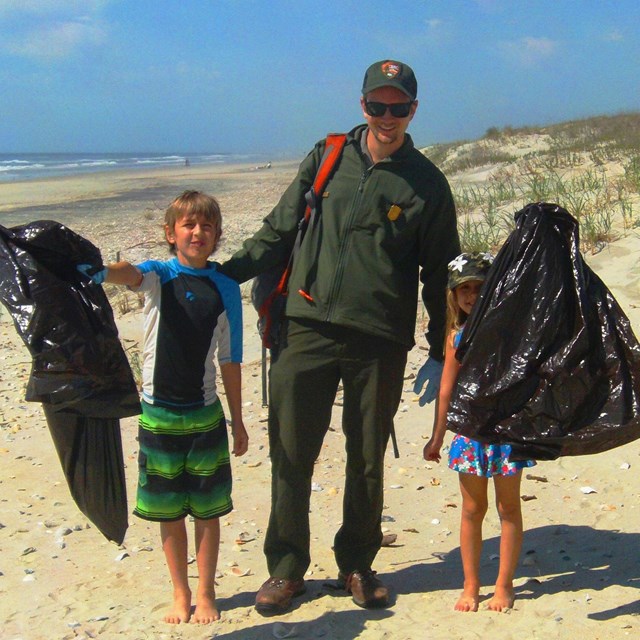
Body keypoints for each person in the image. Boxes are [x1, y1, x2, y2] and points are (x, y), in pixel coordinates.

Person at [219, 60, 460, 614]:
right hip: (304, 328)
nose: (388, 116)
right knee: (290, 452)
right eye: (378, 105)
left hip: (379, 337)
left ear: (413, 111)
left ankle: (357, 564)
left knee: (367, 457)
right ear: (363, 106)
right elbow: (279, 230)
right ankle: (285, 570)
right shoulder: (327, 156)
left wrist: (443, 343)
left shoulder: (427, 183)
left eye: (398, 107)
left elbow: (440, 272)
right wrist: (221, 275)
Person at [78, 190, 248, 624]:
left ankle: (207, 592)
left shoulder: (225, 288)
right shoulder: (159, 275)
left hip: (205, 413)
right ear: (171, 233)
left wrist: (240, 422)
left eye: (206, 226)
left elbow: (230, 359)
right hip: (158, 415)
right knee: (168, 511)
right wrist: (97, 271)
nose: (197, 233)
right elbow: (128, 273)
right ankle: (180, 592)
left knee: (207, 512)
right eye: (188, 225)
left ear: (217, 235)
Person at [423, 252, 535, 613]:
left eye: (479, 287)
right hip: (470, 433)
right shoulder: (456, 337)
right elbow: (446, 388)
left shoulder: (510, 330)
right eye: (464, 289)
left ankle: (504, 584)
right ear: (454, 295)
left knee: (508, 507)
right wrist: (438, 435)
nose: (471, 295)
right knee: (472, 509)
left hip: (506, 432)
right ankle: (471, 583)